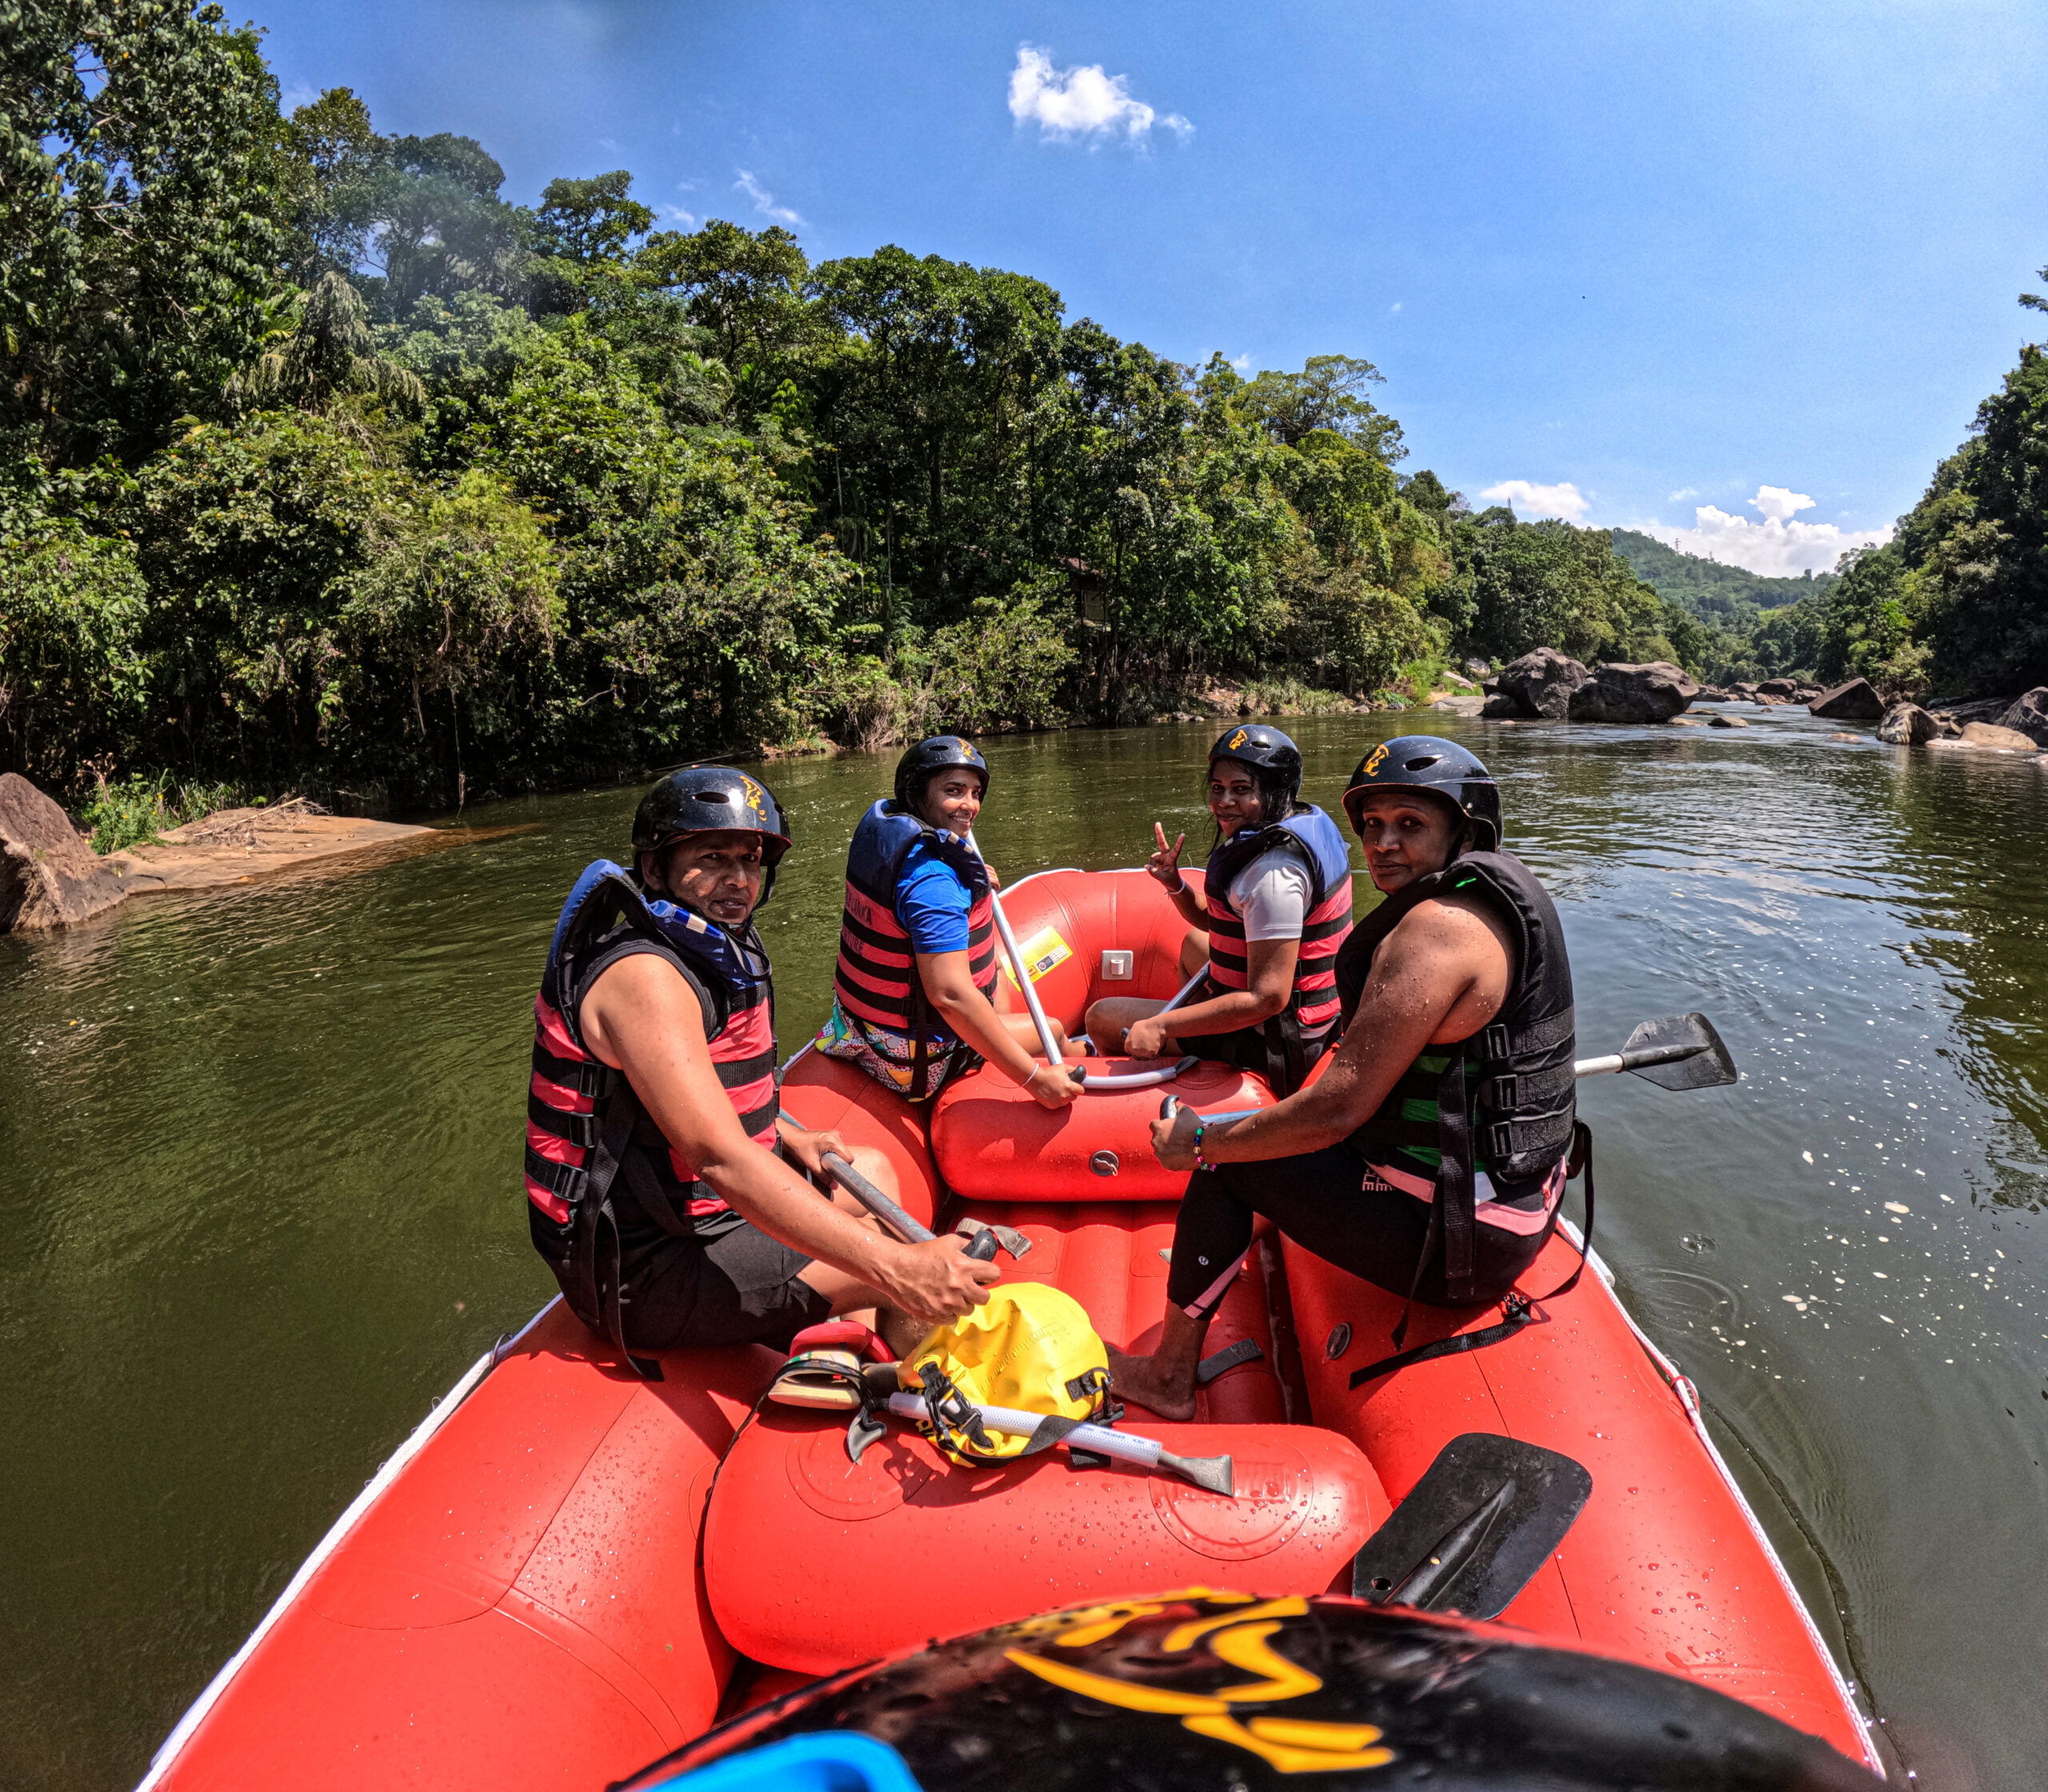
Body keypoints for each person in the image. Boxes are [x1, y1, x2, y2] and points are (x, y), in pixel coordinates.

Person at [1108, 737, 1578, 1420]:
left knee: (1227, 1165)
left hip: (1459, 1241)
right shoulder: (1497, 898)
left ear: (1464, 830)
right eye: (1374, 825)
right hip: (1516, 1198)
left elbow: (1336, 1112)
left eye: (1410, 825)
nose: (1383, 844)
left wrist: (1200, 1141)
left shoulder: (1436, 933)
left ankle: (1167, 1377)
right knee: (1272, 1148)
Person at [525, 766, 999, 1370]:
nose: (738, 879)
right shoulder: (645, 979)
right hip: (644, 1264)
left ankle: (838, 1359)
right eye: (712, 858)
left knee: (875, 1171)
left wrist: (789, 1135)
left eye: (750, 860)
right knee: (890, 1245)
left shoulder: (709, 946)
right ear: (654, 868)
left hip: (694, 1216)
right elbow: (717, 1157)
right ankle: (907, 1377)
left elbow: (705, 1088)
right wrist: (900, 1268)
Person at [1082, 724, 1354, 1097]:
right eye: (1217, 787)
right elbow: (1215, 923)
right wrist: (1174, 883)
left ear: (1275, 791)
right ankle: (1200, 1042)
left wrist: (1162, 1026)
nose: (1224, 801)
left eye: (1241, 789)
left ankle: (1181, 1058)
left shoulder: (1273, 875)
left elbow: (1268, 998)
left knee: (1102, 1017)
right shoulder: (1298, 825)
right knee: (1194, 943)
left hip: (1282, 1038)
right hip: (1301, 1016)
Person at [817, 736, 1082, 1109]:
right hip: (914, 1057)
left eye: (975, 793)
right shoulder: (932, 884)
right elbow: (950, 996)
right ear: (917, 793)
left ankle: (1003, 1042)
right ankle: (1083, 1055)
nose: (969, 805)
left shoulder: (896, 838)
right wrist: (1035, 1080)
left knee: (995, 968)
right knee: (1051, 1030)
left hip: (858, 1029)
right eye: (954, 791)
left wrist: (969, 878)